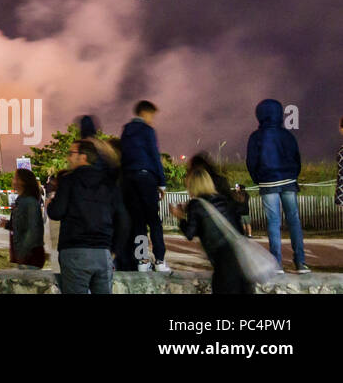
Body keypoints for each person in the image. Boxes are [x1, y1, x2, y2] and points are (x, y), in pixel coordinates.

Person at [46, 140, 125, 294]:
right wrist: (114, 249)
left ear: (83, 156)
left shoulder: (69, 180)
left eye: (71, 154)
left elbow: (56, 212)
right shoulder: (109, 183)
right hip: (102, 253)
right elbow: (122, 219)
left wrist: (50, 204)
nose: (68, 158)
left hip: (75, 253)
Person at [169, 161, 254, 293]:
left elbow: (190, 233)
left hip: (223, 266)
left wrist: (180, 216)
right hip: (242, 263)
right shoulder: (223, 200)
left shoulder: (196, 204)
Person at [246, 99, 308, 273]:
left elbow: (251, 162)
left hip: (267, 182)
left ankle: (277, 264)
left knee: (273, 223)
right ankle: (301, 262)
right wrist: (292, 175)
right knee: (294, 221)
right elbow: (297, 158)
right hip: (288, 180)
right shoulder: (287, 135)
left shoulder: (255, 136)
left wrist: (258, 179)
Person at [119, 100, 171, 273]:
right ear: (145, 113)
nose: (152, 119)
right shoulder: (148, 131)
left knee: (138, 222)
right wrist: (161, 184)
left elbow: (123, 157)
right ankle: (160, 260)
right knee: (154, 220)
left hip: (129, 179)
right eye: (152, 115)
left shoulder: (126, 130)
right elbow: (155, 156)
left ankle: (142, 261)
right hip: (146, 177)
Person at [0, 168, 45, 269]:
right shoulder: (21, 200)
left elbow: (33, 229)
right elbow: (21, 225)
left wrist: (23, 252)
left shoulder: (30, 202)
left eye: (15, 178)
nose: (13, 181)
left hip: (30, 257)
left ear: (23, 182)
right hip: (24, 257)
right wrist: (7, 224)